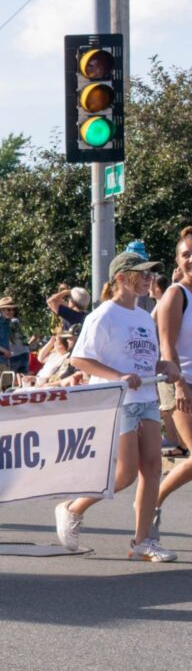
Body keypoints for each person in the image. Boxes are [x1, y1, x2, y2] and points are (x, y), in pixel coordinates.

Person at [54, 251, 181, 562]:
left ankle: (142, 542)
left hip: (146, 399)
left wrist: (165, 366)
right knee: (124, 474)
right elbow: (79, 359)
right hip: (118, 401)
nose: (149, 278)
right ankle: (73, 508)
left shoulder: (143, 316)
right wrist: (118, 377)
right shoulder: (103, 315)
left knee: (152, 469)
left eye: (151, 273)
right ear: (121, 278)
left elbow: (146, 361)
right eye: (143, 273)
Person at [153, 226, 192, 539]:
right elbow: (167, 346)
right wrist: (180, 385)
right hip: (179, 381)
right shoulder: (176, 294)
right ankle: (153, 502)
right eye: (186, 254)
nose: (191, 259)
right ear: (177, 261)